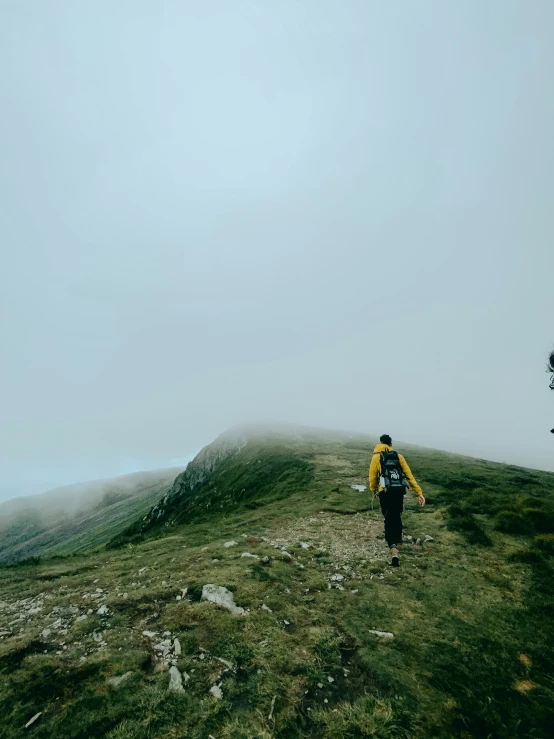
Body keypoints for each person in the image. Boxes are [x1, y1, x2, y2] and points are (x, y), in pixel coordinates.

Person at [369, 434, 425, 567]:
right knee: (397, 515)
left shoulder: (376, 457)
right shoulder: (399, 457)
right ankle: (399, 541)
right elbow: (409, 476)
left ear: (380, 443)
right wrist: (419, 493)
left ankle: (393, 546)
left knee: (388, 517)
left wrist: (374, 491)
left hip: (385, 492)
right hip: (398, 491)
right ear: (391, 444)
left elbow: (372, 477)